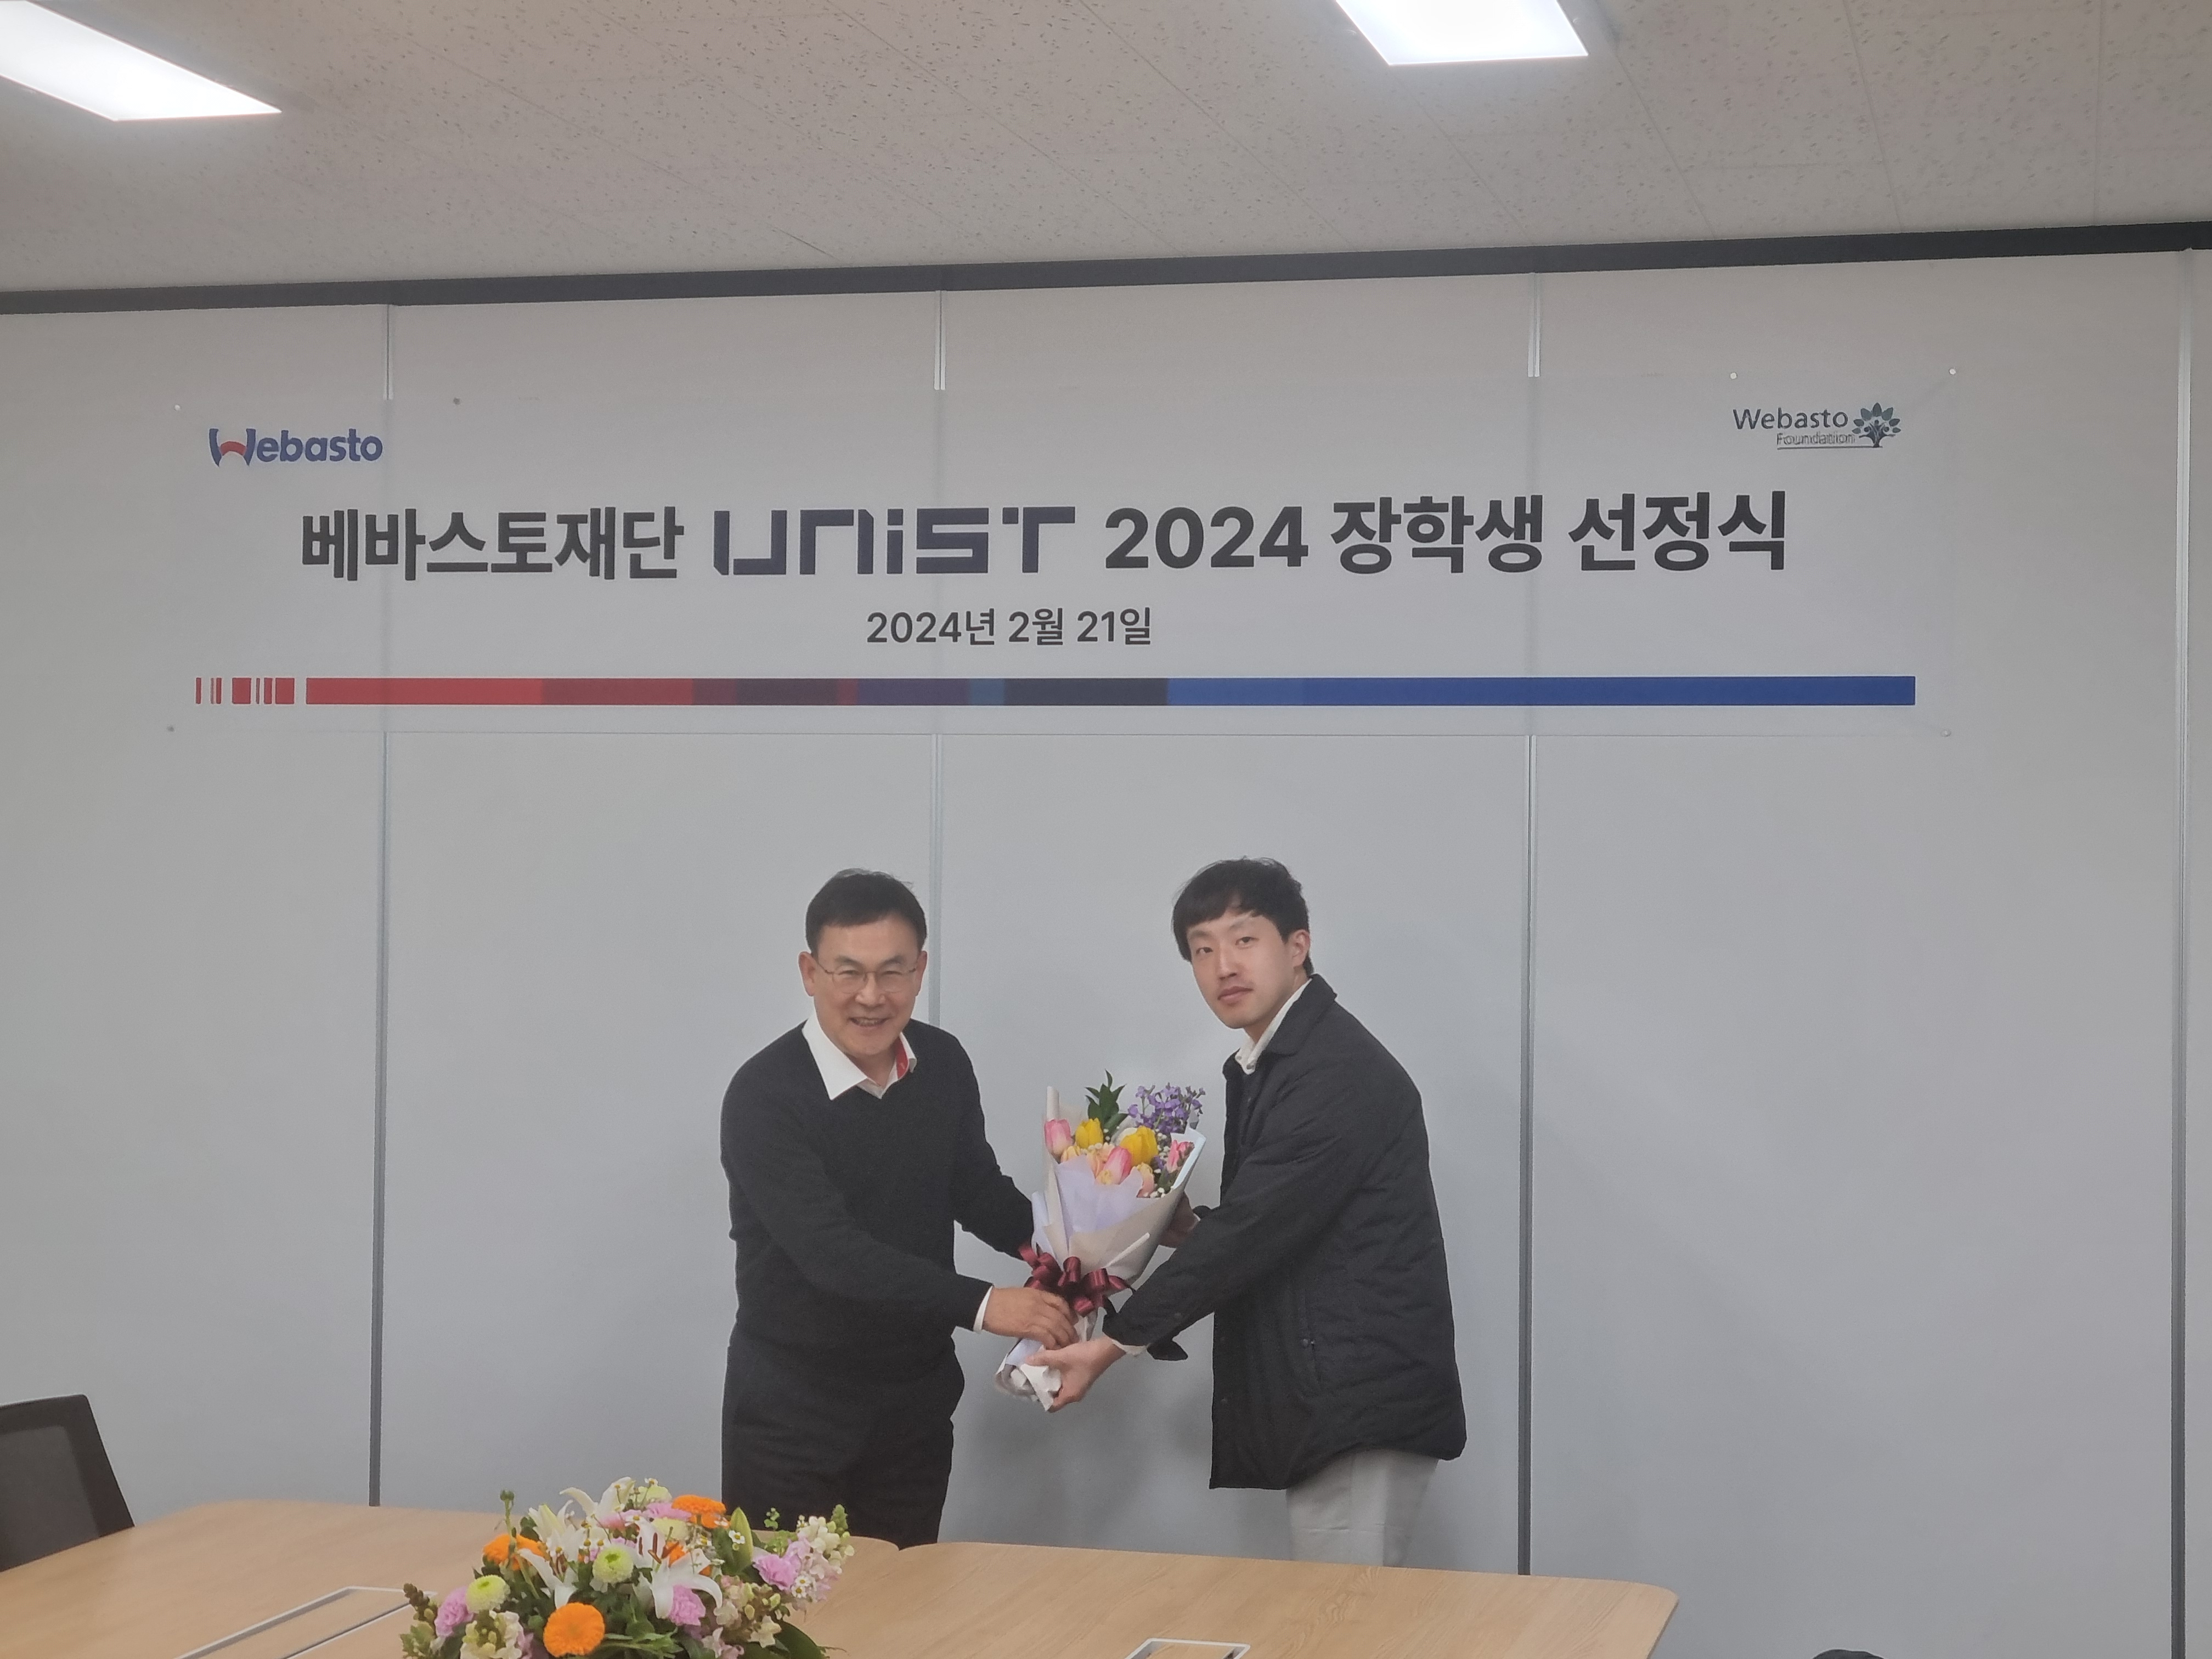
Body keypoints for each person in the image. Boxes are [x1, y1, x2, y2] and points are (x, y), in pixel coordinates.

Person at [1035, 857, 1465, 1566]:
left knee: (1344, 1618)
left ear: (1297, 946)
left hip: (1358, 1404)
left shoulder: (1333, 1070)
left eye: (1244, 939)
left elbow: (1255, 1230)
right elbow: (1287, 1222)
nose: (1223, 966)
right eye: (1202, 949)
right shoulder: (1283, 1057)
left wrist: (1113, 1343)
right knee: (1342, 1614)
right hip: (1337, 1397)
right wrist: (1185, 1228)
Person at [720, 868, 1075, 1547]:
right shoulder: (764, 1094)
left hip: (914, 1405)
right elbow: (832, 1254)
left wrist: (1081, 1242)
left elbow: (976, 1190)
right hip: (793, 1414)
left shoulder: (942, 1062)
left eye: (892, 972)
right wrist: (985, 1305)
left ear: (920, 971)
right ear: (810, 973)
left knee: (905, 1600)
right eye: (848, 972)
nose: (871, 996)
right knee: (787, 1607)